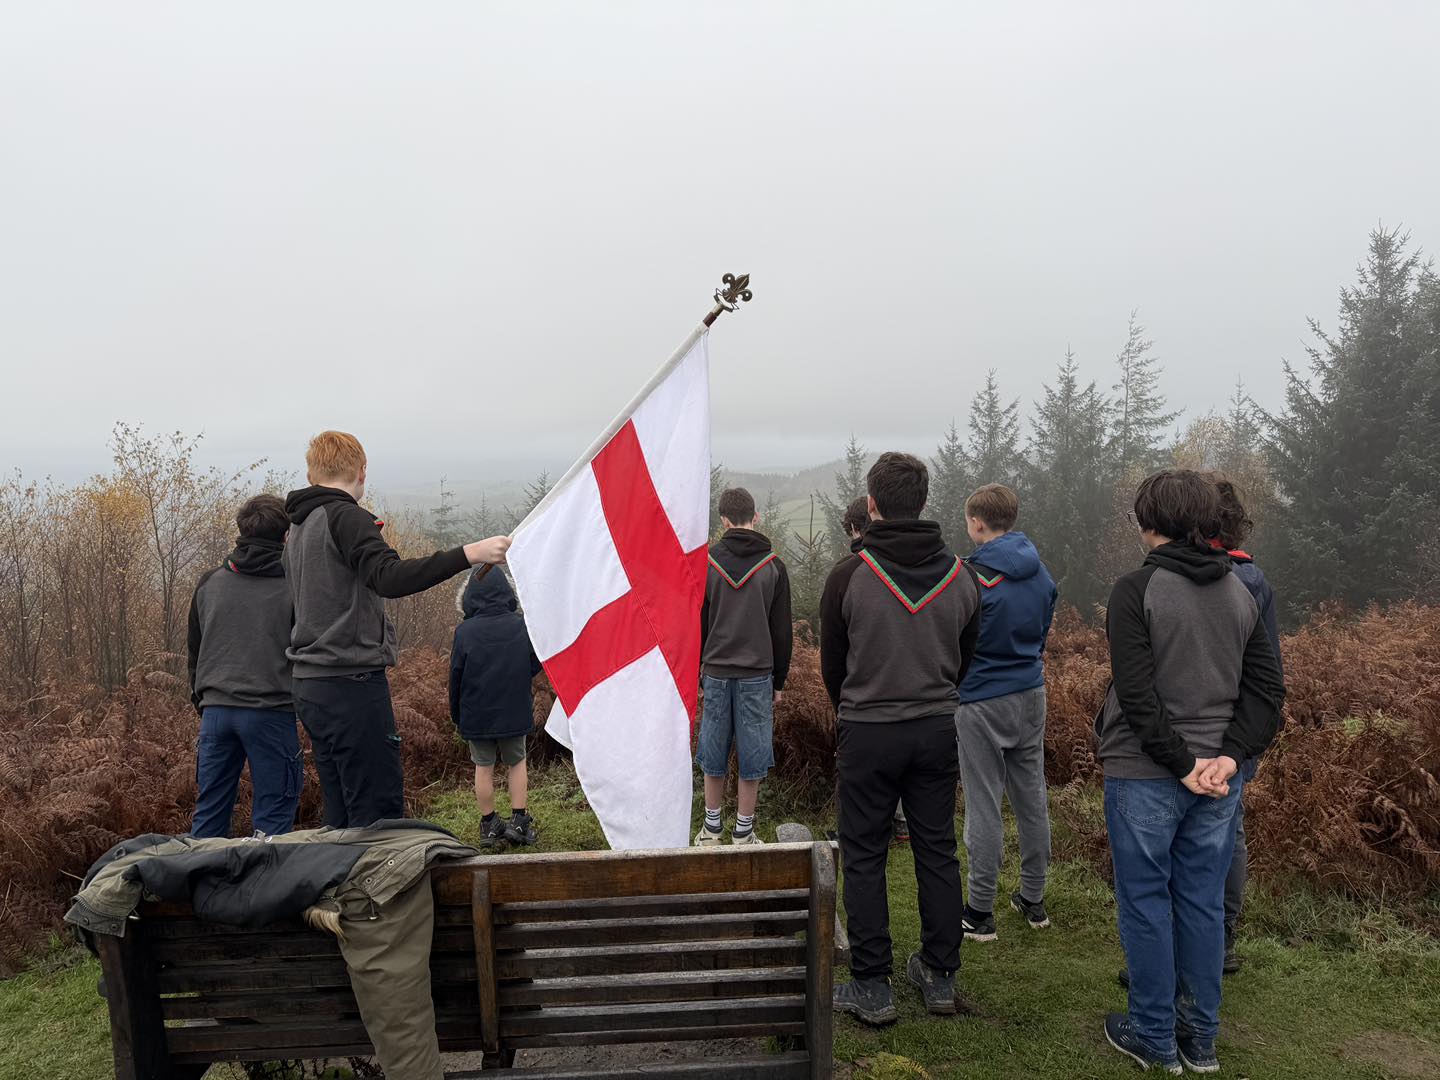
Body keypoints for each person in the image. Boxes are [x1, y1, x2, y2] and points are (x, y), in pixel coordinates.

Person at [1097, 469, 1285, 1074]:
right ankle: (1199, 1039)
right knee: (1201, 902)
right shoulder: (1240, 590)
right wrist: (1230, 756)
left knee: (1146, 901)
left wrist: (1183, 764)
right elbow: (1266, 689)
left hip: (1147, 771)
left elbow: (1136, 693)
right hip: (1217, 781)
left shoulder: (1136, 590)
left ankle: (1154, 1035)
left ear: (1146, 521)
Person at [823, 452, 981, 1024]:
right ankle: (940, 976)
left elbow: (833, 670)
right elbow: (965, 656)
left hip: (867, 730)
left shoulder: (849, 575)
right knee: (936, 848)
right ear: (923, 502)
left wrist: (859, 706)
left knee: (863, 855)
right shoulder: (962, 576)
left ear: (872, 505)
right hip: (937, 729)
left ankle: (872, 985)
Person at [284, 431, 511, 829]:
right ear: (362, 470)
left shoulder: (299, 527)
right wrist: (468, 554)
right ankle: (374, 891)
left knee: (342, 810)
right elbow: (389, 577)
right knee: (377, 813)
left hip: (310, 682)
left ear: (311, 473)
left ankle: (343, 888)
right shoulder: (346, 517)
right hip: (349, 684)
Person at [955, 484, 1058, 941]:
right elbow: (1042, 632)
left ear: (977, 523)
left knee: (983, 802)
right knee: (1031, 797)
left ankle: (980, 911)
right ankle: (1033, 899)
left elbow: (955, 641)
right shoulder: (1042, 575)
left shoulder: (969, 577)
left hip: (978, 698)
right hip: (1030, 693)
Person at [187, 494, 302, 838]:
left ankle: (203, 887)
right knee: (274, 815)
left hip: (215, 712)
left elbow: (195, 649)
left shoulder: (210, 582)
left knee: (210, 811)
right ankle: (265, 888)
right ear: (286, 535)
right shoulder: (295, 585)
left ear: (241, 531)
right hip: (271, 711)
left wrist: (202, 701)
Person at [1206, 473, 1282, 974]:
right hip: (1243, 731)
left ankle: (1190, 943)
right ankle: (1223, 940)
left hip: (1196, 729)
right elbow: (1269, 670)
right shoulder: (1255, 578)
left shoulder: (1194, 575)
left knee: (1188, 841)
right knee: (1229, 834)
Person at [695, 488, 793, 846]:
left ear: (723, 521)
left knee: (712, 752)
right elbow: (781, 631)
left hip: (716, 673)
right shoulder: (774, 567)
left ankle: (711, 829)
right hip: (757, 676)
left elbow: (699, 624)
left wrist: (697, 672)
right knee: (753, 755)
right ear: (756, 518)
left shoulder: (707, 564)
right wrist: (778, 681)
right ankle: (744, 831)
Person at [450, 567, 543, 848]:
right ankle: (518, 821)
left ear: (468, 597)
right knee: (517, 763)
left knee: (484, 767)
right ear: (508, 592)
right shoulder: (520, 626)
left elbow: (456, 676)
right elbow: (534, 662)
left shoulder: (464, 632)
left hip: (476, 714)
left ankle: (489, 825)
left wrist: (457, 715)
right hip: (513, 709)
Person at [842, 495, 910, 846]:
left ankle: (875, 827)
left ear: (856, 528)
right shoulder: (909, 565)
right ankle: (900, 823)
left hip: (863, 692)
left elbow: (835, 650)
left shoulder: (849, 571)